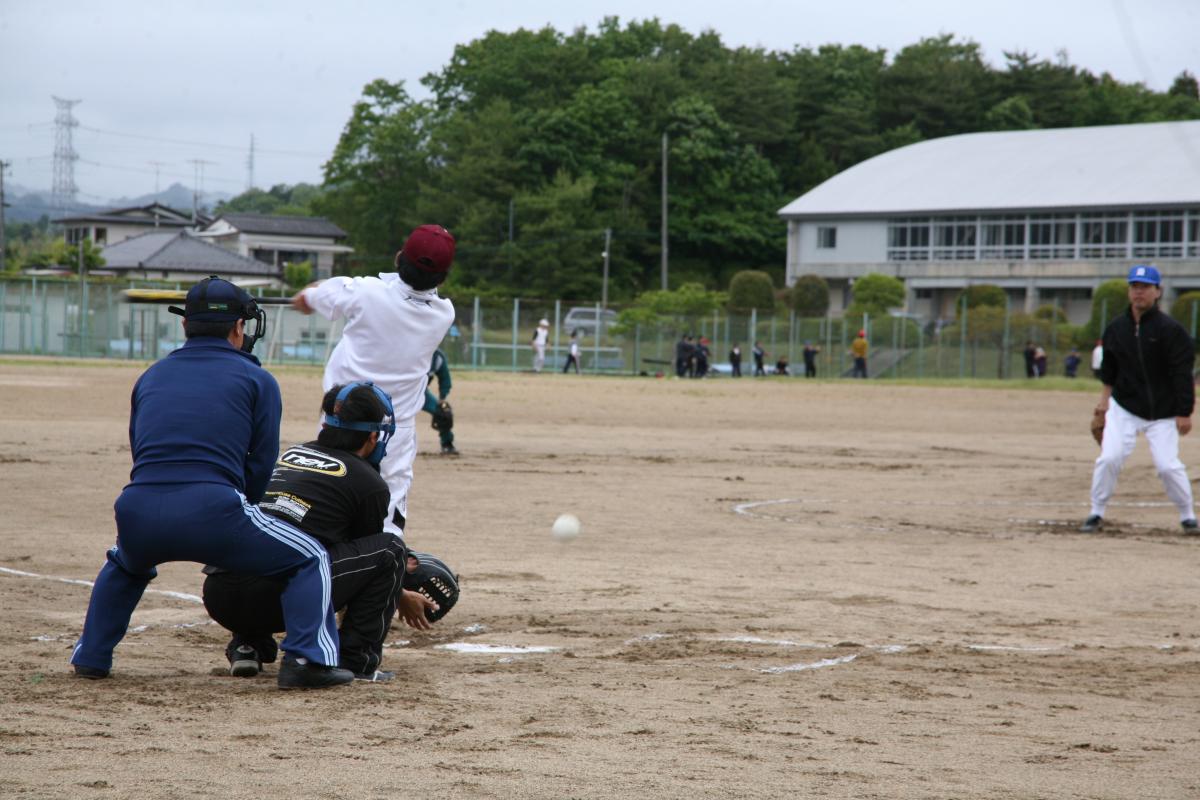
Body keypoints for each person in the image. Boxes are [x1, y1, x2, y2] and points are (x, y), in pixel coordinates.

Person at [71, 276, 353, 689]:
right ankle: (308, 660)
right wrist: (245, 515)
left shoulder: (151, 375)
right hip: (213, 509)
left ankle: (92, 657)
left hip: (138, 507)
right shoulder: (258, 380)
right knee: (309, 556)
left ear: (185, 325)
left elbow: (141, 451)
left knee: (126, 562)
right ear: (240, 328)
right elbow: (259, 465)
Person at [203, 383, 456, 682]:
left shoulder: (292, 454)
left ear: (326, 424)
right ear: (374, 436)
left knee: (271, 535)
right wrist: (399, 591)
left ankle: (248, 645)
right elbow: (366, 566)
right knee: (390, 550)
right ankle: (356, 661)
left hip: (219, 595)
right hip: (275, 602)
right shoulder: (369, 482)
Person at [293, 224, 456, 537]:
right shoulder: (443, 314)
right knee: (388, 515)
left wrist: (308, 297)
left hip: (340, 421)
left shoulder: (363, 291)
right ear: (443, 276)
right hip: (395, 431)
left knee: (328, 499)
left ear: (399, 258)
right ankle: (382, 575)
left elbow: (310, 297)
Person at [1081, 265, 1198, 534]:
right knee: (1109, 458)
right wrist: (1104, 402)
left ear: (1158, 292)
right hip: (1125, 406)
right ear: (1129, 291)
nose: (1139, 292)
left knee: (1168, 466)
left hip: (1165, 411)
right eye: (1135, 286)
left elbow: (1182, 373)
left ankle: (1187, 515)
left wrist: (1184, 412)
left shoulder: (1172, 331)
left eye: (1145, 287)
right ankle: (1096, 512)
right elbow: (1110, 370)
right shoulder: (1116, 328)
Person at [423, 348, 458, 455]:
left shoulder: (437, 357)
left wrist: (442, 398)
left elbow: (445, 379)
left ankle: (447, 444)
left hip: (420, 393)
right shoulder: (412, 351)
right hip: (401, 391)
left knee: (443, 413)